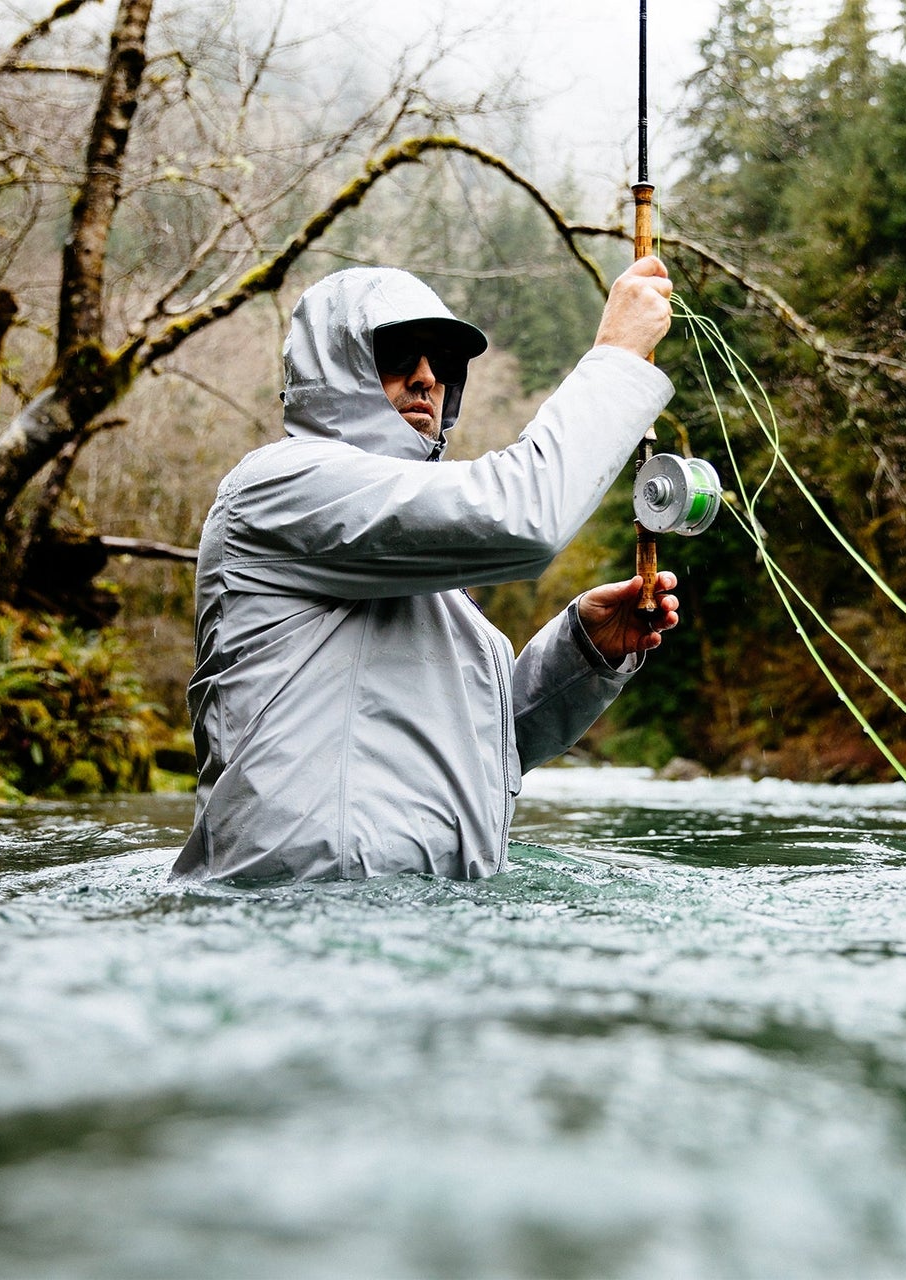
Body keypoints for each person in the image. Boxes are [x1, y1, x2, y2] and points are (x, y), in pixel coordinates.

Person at [170, 258, 680, 882]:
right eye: (395, 355)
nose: (425, 378)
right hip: (294, 921)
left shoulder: (430, 569)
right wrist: (618, 357)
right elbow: (523, 515)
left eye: (441, 362)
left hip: (429, 924)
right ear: (333, 369)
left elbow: (481, 751)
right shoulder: (282, 485)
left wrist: (582, 653)